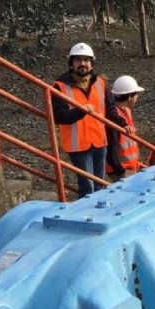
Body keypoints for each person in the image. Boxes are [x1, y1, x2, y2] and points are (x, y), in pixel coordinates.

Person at [51, 42, 126, 197]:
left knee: (100, 186)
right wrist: (81, 111)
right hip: (78, 145)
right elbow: (60, 117)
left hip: (99, 141)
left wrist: (123, 123)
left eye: (86, 60)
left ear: (92, 63)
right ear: (71, 63)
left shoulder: (100, 83)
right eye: (78, 60)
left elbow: (110, 110)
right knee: (88, 189)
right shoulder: (60, 86)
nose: (82, 63)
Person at [104, 75, 145, 181]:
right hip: (121, 169)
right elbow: (111, 146)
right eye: (136, 94)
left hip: (130, 166)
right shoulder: (114, 116)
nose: (137, 97)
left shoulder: (126, 111)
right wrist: (120, 171)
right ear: (130, 96)